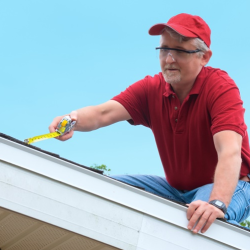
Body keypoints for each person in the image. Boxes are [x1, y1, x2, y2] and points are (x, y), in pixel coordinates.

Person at [49, 13, 250, 234]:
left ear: (204, 57)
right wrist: (71, 119)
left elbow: (230, 151)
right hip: (175, 189)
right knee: (104, 193)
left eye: (180, 51)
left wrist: (217, 203)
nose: (169, 59)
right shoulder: (151, 89)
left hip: (234, 186)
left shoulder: (220, 88)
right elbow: (102, 113)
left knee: (201, 218)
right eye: (164, 50)